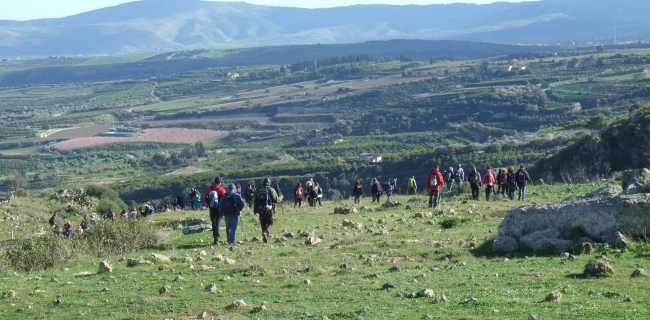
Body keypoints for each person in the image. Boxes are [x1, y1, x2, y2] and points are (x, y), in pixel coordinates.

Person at [254, 178, 278, 243]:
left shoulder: (258, 190)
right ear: (269, 183)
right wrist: (281, 197)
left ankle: (265, 238)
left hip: (260, 209)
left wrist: (255, 210)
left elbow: (255, 201)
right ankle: (266, 233)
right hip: (269, 209)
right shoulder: (271, 189)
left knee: (263, 223)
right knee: (270, 223)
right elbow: (275, 199)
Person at [204, 176, 227, 244]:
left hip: (211, 209)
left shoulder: (209, 189)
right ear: (220, 182)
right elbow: (225, 199)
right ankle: (217, 238)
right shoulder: (221, 189)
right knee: (218, 223)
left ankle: (214, 238)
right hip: (219, 208)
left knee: (213, 223)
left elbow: (205, 199)